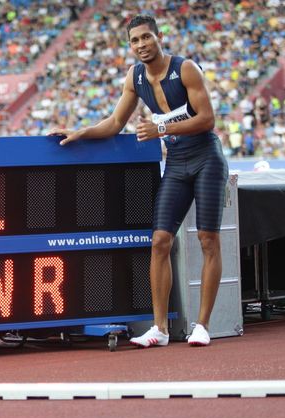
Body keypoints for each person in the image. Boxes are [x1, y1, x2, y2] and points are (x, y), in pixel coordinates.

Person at [49, 14, 228, 347]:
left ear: (160, 37)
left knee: (207, 240)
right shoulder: (135, 78)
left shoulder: (186, 68)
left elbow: (207, 119)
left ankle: (202, 325)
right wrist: (82, 132)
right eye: (135, 40)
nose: (142, 45)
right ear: (130, 46)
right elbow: (116, 121)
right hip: (176, 163)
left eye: (147, 37)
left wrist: (161, 128)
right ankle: (159, 329)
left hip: (206, 159)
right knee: (160, 241)